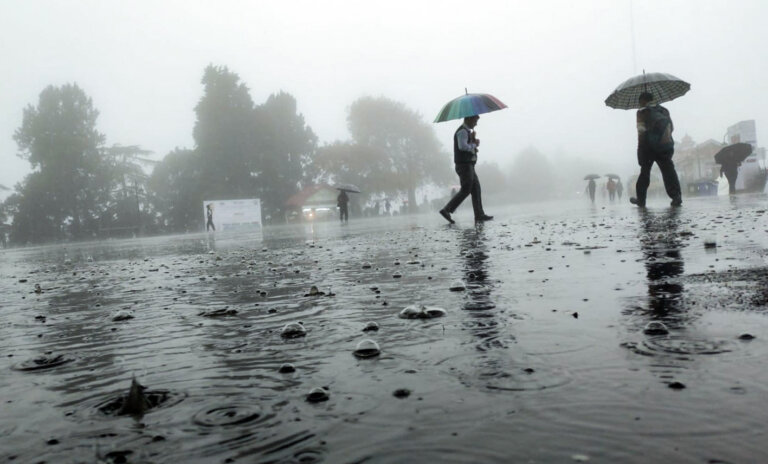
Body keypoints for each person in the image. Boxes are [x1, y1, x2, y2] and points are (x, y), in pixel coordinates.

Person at [630, 92, 682, 208]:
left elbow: (641, 132)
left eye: (640, 102)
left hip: (648, 148)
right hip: (664, 146)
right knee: (669, 172)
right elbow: (671, 128)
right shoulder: (664, 110)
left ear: (643, 100)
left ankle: (641, 200)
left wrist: (640, 151)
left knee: (645, 173)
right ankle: (676, 196)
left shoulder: (642, 112)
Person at [439, 115, 493, 224]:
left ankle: (479, 214)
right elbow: (462, 147)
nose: (476, 123)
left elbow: (466, 146)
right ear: (468, 119)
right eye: (475, 120)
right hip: (464, 165)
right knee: (466, 189)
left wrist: (473, 141)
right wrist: (473, 144)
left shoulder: (467, 132)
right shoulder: (462, 132)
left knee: (476, 188)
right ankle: (447, 209)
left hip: (469, 165)